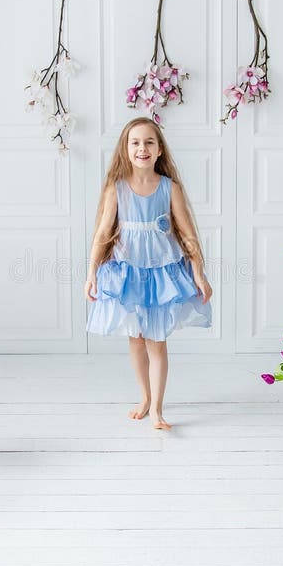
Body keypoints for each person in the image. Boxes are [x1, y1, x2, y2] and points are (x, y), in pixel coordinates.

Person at [85, 117, 212, 429]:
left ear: (159, 150)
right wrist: (91, 274)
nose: (142, 148)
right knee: (136, 340)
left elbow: (187, 234)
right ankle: (144, 397)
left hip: (160, 277)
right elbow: (102, 234)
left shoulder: (169, 188)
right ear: (126, 149)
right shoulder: (116, 190)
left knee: (157, 342)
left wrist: (199, 273)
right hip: (129, 276)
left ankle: (157, 408)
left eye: (149, 142)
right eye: (135, 142)